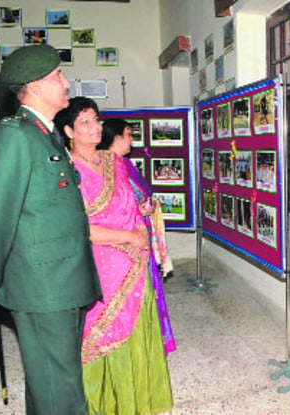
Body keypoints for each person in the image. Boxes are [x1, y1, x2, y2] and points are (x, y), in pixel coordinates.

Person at [0, 45, 102, 415]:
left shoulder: (45, 135)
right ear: (35, 86)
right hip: (42, 283)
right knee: (61, 389)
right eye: (58, 76)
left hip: (62, 277)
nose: (66, 82)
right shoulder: (14, 136)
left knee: (52, 378)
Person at [55, 98, 173, 414]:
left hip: (136, 260)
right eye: (84, 122)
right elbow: (80, 228)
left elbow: (129, 205)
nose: (94, 127)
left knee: (138, 326)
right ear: (68, 131)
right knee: (103, 333)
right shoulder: (66, 172)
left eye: (95, 119)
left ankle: (141, 400)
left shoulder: (114, 161)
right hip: (101, 265)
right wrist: (129, 237)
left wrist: (142, 223)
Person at [99, 117, 176, 355]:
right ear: (117, 137)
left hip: (140, 232)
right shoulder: (106, 167)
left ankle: (152, 339)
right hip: (123, 242)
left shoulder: (124, 164)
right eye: (128, 134)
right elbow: (111, 209)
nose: (132, 139)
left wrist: (142, 211)